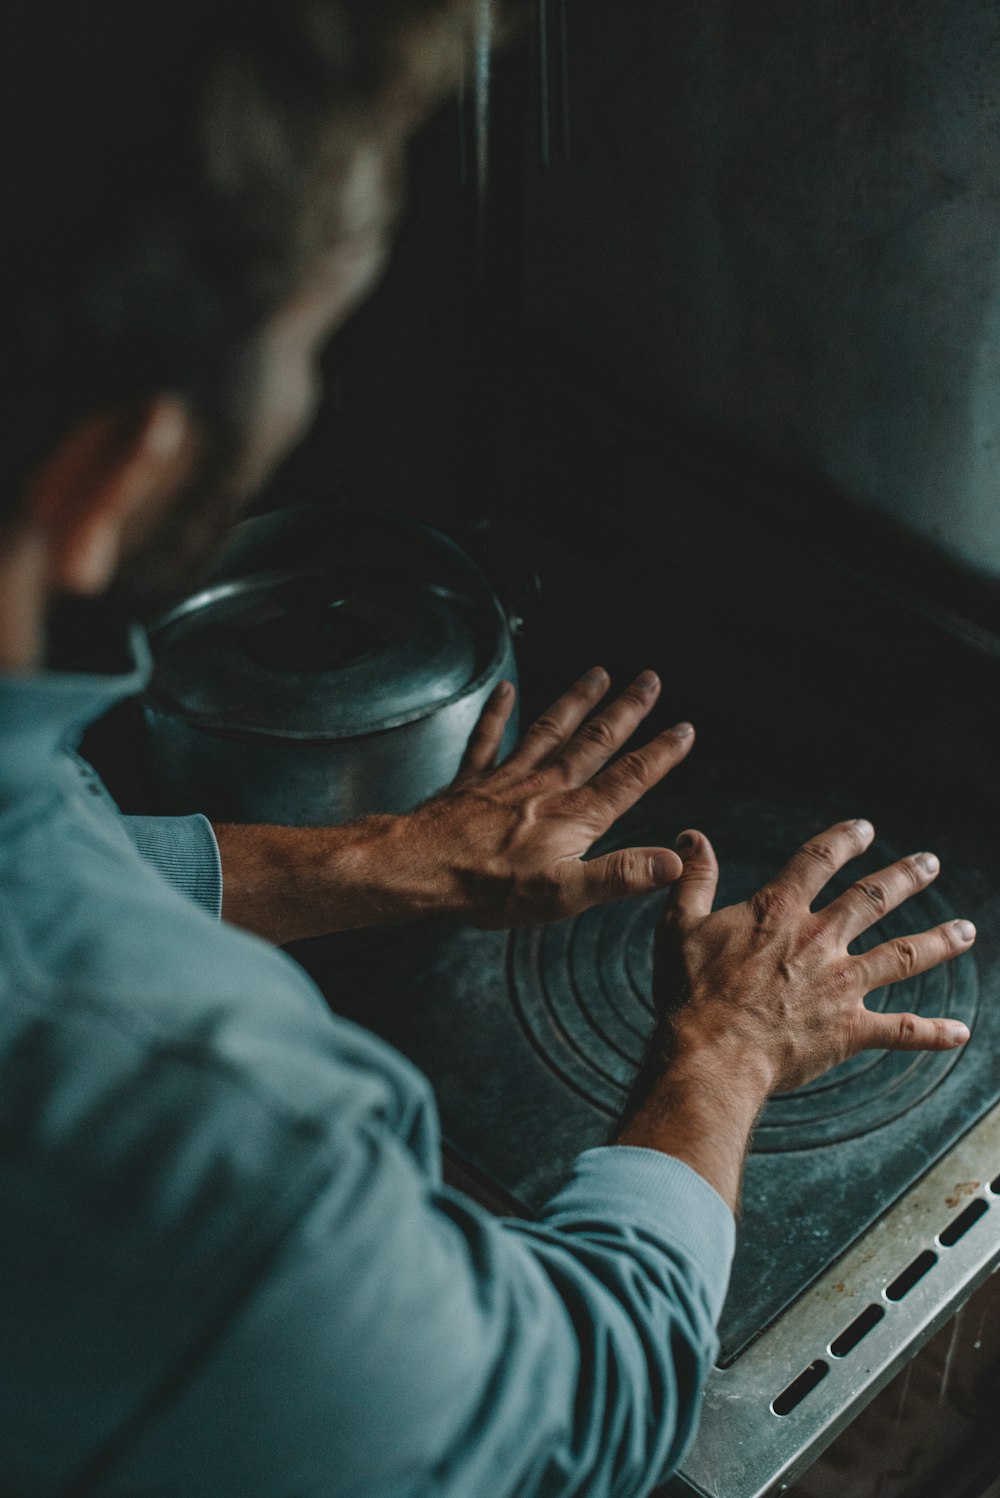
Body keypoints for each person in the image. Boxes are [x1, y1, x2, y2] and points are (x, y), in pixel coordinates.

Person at [0, 4, 975, 1495]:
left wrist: (363, 862)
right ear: (112, 477)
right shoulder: (215, 1149)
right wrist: (723, 1052)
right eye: (308, 351)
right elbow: (577, 1416)